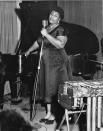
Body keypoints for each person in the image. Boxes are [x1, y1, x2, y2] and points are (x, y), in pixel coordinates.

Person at [25, 6, 73, 125]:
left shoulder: (61, 29)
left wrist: (46, 35)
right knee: (47, 86)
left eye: (55, 15)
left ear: (59, 19)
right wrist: (28, 51)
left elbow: (60, 45)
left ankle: (58, 114)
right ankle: (48, 113)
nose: (52, 17)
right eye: (51, 14)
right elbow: (38, 42)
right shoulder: (46, 28)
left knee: (54, 87)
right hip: (46, 63)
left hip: (57, 64)